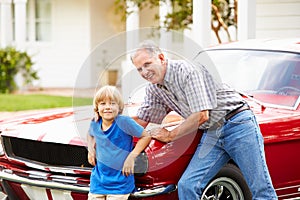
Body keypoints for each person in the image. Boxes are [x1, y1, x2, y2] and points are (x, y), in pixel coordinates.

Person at [130, 40, 278, 199]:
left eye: (147, 64)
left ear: (161, 57)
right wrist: (103, 131)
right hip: (211, 133)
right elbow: (141, 120)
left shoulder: (187, 71)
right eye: (139, 69)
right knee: (188, 185)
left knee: (260, 189)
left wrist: (170, 135)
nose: (145, 72)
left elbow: (201, 114)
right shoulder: (155, 89)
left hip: (237, 124)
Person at [87, 85, 151, 200]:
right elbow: (90, 135)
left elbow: (146, 136)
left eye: (112, 103)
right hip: (98, 183)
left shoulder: (124, 122)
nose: (107, 107)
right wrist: (90, 150)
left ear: (119, 107)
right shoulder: (95, 123)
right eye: (103, 104)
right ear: (96, 107)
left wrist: (131, 157)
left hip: (120, 185)